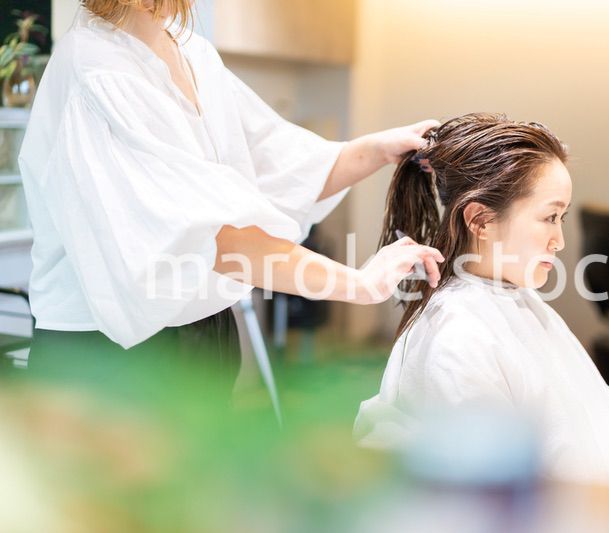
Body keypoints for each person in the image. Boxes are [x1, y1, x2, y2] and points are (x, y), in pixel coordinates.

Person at [18, 0, 443, 390]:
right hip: (108, 359)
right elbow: (210, 238)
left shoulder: (192, 52)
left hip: (204, 335)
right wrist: (359, 284)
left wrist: (379, 149)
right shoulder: (95, 68)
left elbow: (280, 166)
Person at [354, 113, 609, 485]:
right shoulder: (459, 340)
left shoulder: (517, 303)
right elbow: (495, 499)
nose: (560, 241)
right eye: (549, 217)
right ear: (480, 220)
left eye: (561, 218)